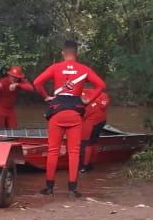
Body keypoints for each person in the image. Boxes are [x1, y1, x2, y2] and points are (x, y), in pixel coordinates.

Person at [32, 40, 106, 197]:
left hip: (57, 113)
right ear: (76, 53)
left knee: (53, 151)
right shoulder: (84, 69)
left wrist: (46, 97)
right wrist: (88, 100)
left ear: (62, 53)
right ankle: (72, 189)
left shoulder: (55, 67)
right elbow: (101, 85)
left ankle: (49, 188)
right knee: (74, 152)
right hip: (75, 114)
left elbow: (37, 82)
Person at [80, 90, 110, 173]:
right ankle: (92, 163)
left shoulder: (82, 94)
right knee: (94, 142)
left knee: (87, 143)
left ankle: (85, 167)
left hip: (91, 122)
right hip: (101, 120)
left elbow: (83, 113)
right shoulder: (103, 95)